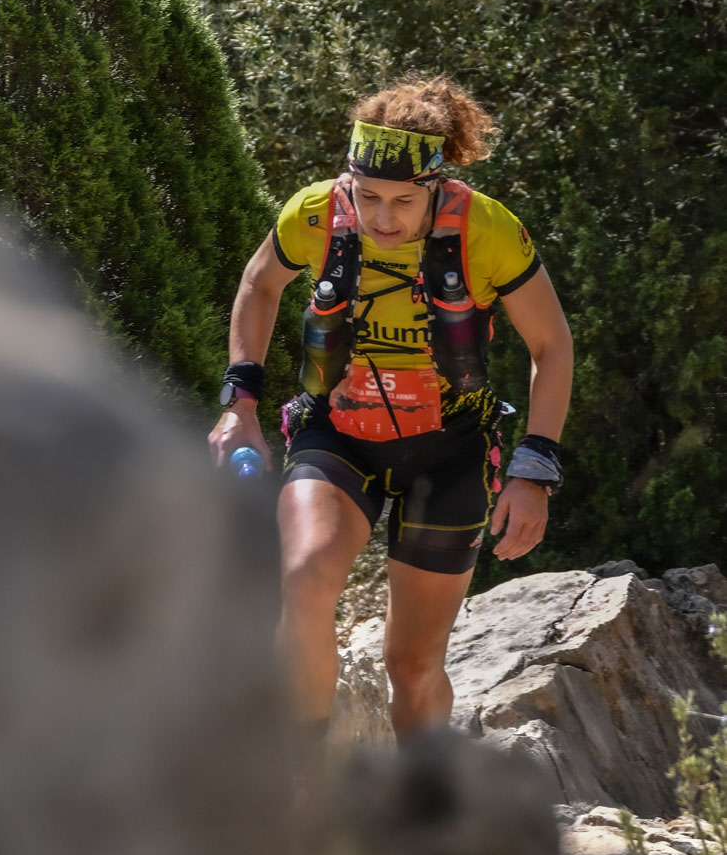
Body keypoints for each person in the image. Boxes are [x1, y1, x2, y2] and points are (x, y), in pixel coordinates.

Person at [208, 76, 573, 743]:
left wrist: (534, 468)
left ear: (436, 184)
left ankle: (423, 793)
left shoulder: (487, 229)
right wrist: (240, 405)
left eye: (403, 201)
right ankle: (300, 778)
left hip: (450, 450)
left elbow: (551, 346)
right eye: (367, 196)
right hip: (336, 434)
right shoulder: (314, 214)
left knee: (411, 665)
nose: (382, 218)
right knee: (304, 579)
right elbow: (259, 285)